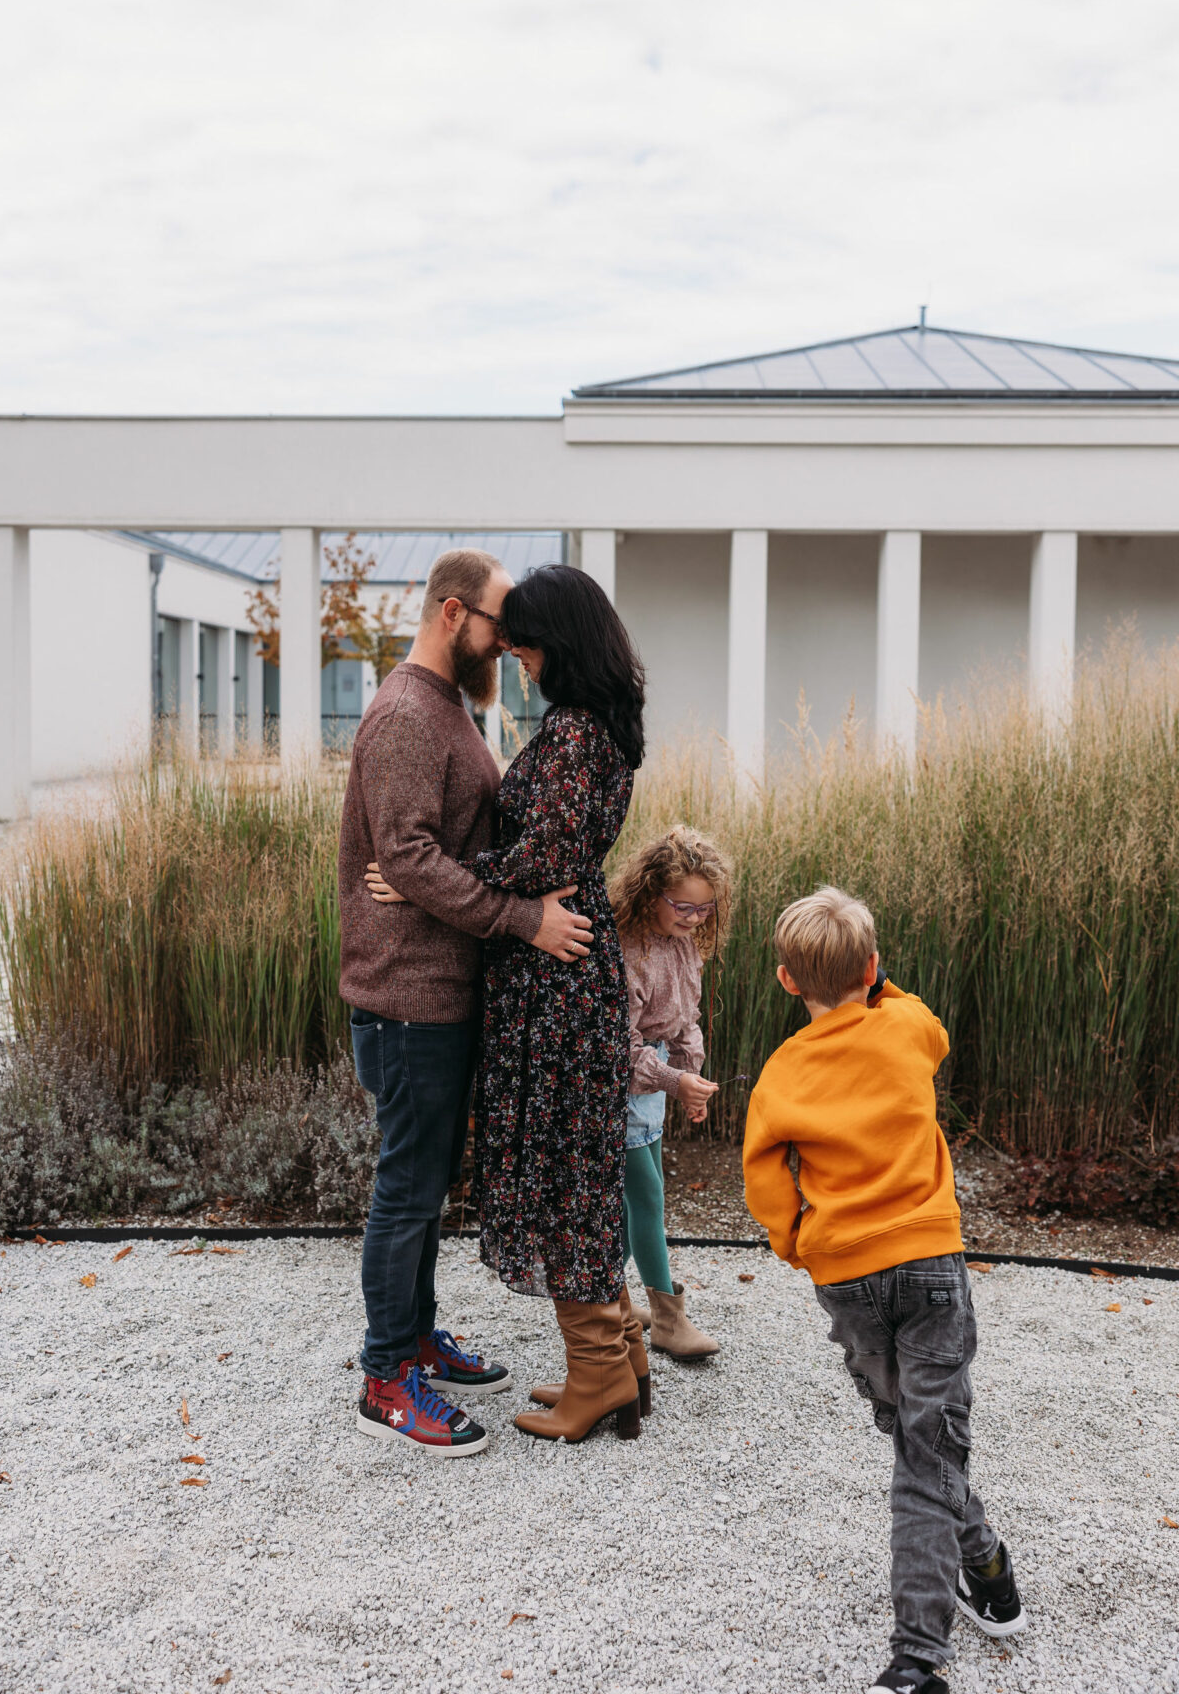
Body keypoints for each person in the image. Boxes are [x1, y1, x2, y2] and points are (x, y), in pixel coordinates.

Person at [368, 562, 648, 1444]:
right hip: (552, 966)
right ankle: (619, 1355)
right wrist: (482, 894)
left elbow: (541, 857)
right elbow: (540, 853)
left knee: (565, 1168)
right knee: (576, 1165)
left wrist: (427, 884)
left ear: (556, 644)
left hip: (556, 978)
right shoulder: (584, 726)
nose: (515, 656)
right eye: (506, 635)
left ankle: (602, 1370)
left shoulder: (571, 735)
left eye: (525, 644)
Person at [742, 887, 1026, 1694]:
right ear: (873, 968)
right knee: (926, 1447)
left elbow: (764, 1172)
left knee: (914, 1438)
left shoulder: (781, 1070)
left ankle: (955, 1610)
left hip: (845, 1278)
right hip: (928, 1263)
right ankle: (945, 1620)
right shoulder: (905, 1025)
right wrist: (879, 986)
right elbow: (931, 1027)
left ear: (786, 982)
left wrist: (794, 1240)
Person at [607, 825, 729, 1358]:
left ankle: (605, 1294)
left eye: (704, 910)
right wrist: (675, 1080)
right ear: (649, 892)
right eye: (683, 907)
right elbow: (619, 1044)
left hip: (655, 1081)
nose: (693, 919)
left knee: (641, 1197)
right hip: (622, 1083)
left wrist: (690, 1075)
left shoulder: (683, 948)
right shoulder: (626, 950)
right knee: (647, 1194)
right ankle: (667, 1318)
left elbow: (687, 1019)